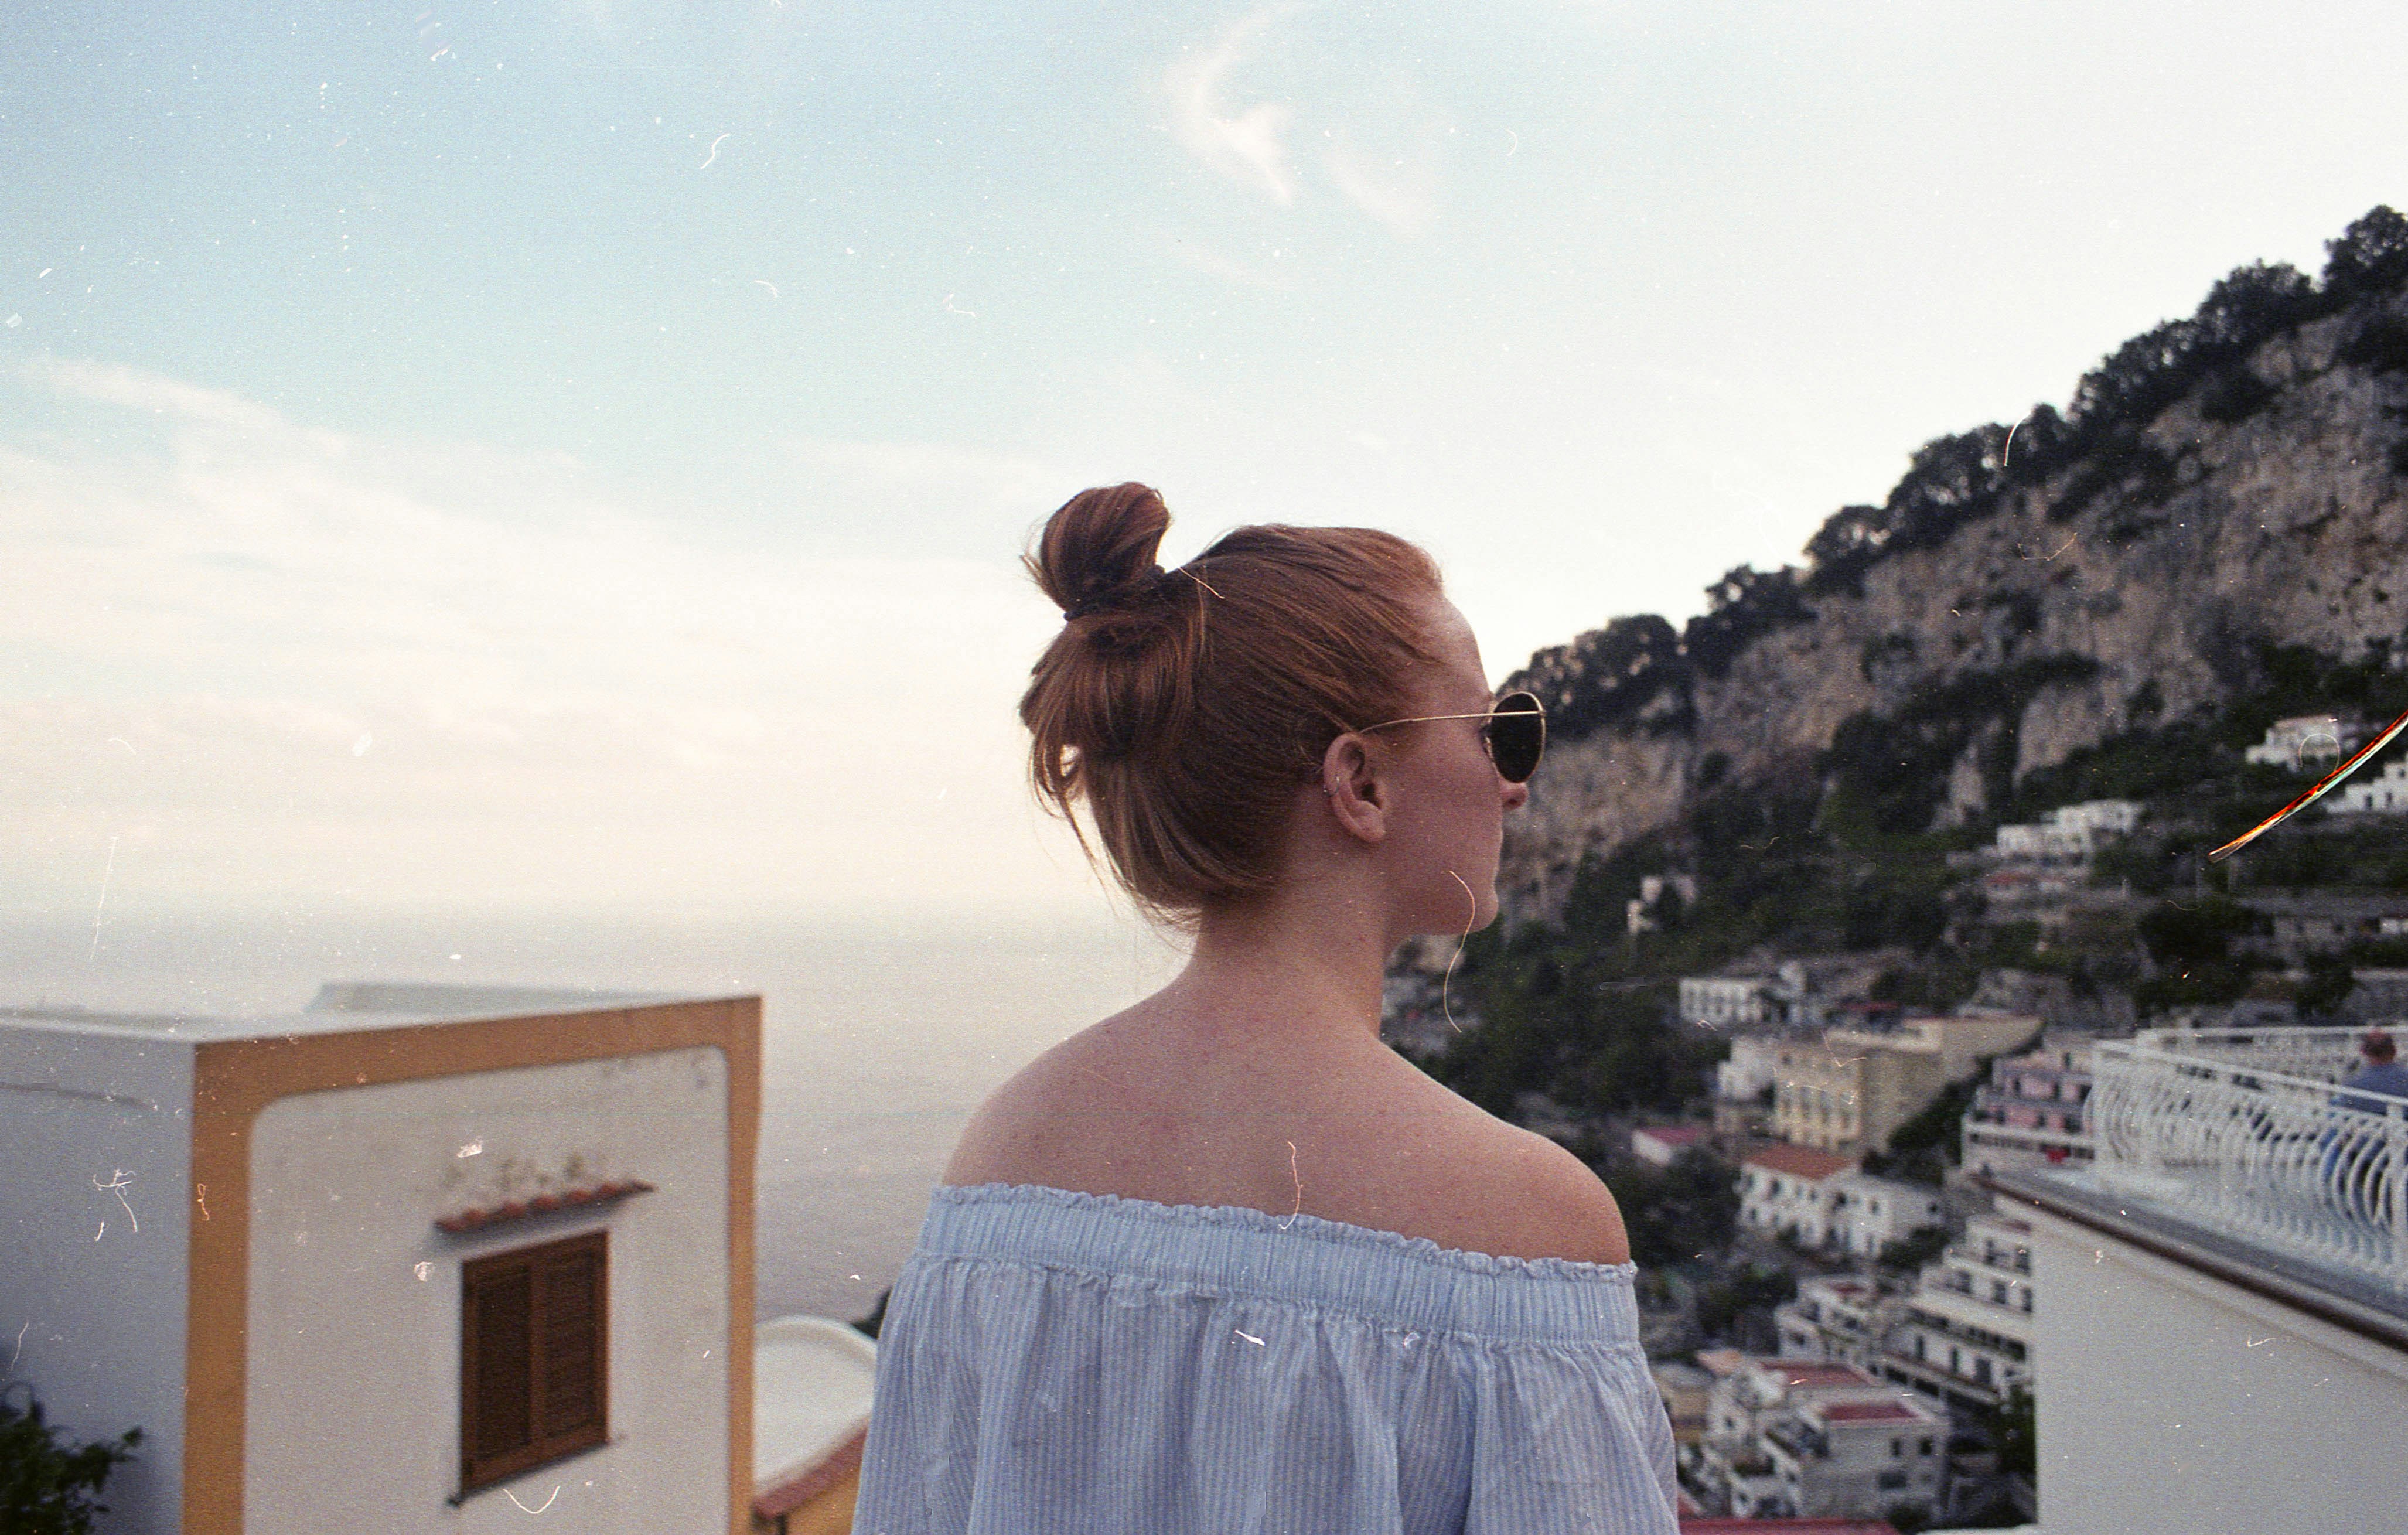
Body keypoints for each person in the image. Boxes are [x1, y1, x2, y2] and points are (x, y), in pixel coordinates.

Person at [851, 484, 1679, 1534]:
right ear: (1361, 785)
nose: (1514, 784)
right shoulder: (1526, 1227)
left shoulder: (999, 1156)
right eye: (1497, 733)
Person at [2322, 1028, 2408, 1221]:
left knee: (2334, 1133)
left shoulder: (2353, 1085)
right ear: (2394, 1051)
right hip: (2402, 1150)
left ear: (2364, 1053)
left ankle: (2332, 1181)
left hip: (2369, 1157)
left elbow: (2344, 1124)